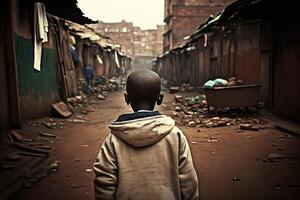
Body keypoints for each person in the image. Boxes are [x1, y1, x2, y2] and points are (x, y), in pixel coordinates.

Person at [93, 70, 199, 200]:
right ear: (160, 99)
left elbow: (104, 181)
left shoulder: (114, 140)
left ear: (126, 98)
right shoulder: (175, 135)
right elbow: (188, 181)